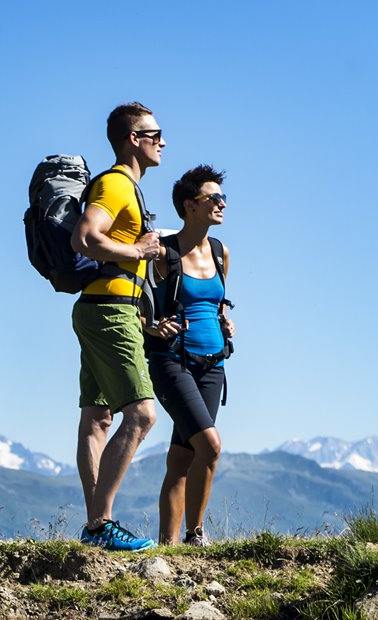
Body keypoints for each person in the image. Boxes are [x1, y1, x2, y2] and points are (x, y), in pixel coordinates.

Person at [71, 102, 167, 551]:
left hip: (102, 307)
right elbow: (87, 238)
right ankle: (100, 524)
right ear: (134, 139)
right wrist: (139, 253)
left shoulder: (127, 188)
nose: (163, 141)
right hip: (109, 310)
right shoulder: (115, 185)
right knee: (142, 414)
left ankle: (96, 528)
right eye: (155, 133)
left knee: (97, 417)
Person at [147, 164, 234, 546]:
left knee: (181, 459)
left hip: (213, 364)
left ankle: (167, 549)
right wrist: (151, 326)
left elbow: (217, 303)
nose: (221, 204)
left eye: (223, 197)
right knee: (210, 445)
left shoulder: (220, 252)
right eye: (212, 198)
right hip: (173, 362)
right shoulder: (164, 254)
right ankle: (196, 536)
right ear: (189, 205)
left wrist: (226, 323)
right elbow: (135, 300)